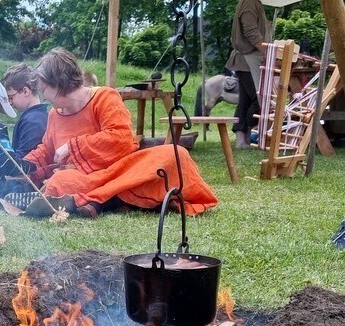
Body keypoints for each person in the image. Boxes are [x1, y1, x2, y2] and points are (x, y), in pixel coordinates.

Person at [20, 48, 218, 219]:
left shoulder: (104, 97)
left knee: (175, 155)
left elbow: (121, 138)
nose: (43, 96)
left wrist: (73, 146)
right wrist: (22, 166)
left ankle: (101, 200)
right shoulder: (54, 114)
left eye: (44, 89)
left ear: (59, 83)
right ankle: (108, 199)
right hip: (86, 179)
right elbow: (46, 150)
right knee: (61, 181)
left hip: (121, 171)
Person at [225, 0, 269, 149]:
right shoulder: (250, 2)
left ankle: (241, 140)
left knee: (245, 101)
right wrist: (268, 50)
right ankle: (248, 135)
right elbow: (251, 32)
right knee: (258, 98)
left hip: (248, 59)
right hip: (247, 60)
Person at [2, 63, 48, 159]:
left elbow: (25, 159)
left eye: (10, 97)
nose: (10, 103)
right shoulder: (37, 116)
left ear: (25, 91)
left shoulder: (33, 121)